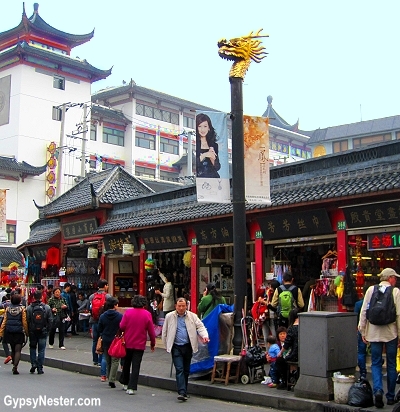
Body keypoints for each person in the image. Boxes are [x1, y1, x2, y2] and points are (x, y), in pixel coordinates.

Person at [359, 268, 400, 408]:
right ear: (389, 278)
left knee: (376, 363)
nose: (396, 280)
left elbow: (364, 310)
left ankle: (378, 391)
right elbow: (399, 315)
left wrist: (362, 330)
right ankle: (390, 396)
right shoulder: (395, 292)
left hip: (374, 333)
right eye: (394, 277)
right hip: (391, 333)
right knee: (391, 364)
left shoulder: (371, 290)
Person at [162, 297, 209, 401]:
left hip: (188, 346)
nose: (181, 308)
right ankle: (182, 392)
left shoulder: (192, 316)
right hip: (176, 346)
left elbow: (200, 327)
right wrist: (166, 345)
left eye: (183, 306)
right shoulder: (170, 316)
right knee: (179, 369)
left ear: (186, 306)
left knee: (186, 370)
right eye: (179, 306)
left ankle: (185, 390)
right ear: (176, 306)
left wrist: (205, 336)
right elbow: (164, 331)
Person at [119, 295, 155, 395]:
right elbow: (151, 331)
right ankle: (132, 387)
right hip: (140, 344)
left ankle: (125, 382)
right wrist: (153, 343)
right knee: (136, 365)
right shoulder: (147, 314)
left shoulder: (128, 313)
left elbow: (122, 326)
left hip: (127, 342)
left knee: (126, 363)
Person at [0, 293, 29, 374]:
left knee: (12, 349)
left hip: (9, 331)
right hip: (19, 332)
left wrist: (1, 333)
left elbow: (4, 321)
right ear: (19, 300)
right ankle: (15, 366)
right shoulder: (22, 309)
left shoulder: (8, 309)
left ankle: (13, 362)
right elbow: (24, 321)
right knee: (18, 350)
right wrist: (27, 332)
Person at [98, 297, 123, 387]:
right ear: (115, 305)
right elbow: (122, 327)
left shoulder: (103, 316)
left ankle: (109, 377)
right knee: (115, 360)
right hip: (116, 340)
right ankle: (112, 379)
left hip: (105, 339)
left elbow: (99, 328)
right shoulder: (120, 316)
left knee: (108, 359)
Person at [26, 290, 53, 374]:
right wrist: (48, 329)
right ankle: (40, 367)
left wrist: (28, 330)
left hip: (33, 331)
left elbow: (27, 320)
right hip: (43, 331)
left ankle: (33, 363)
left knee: (33, 348)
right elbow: (50, 320)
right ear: (41, 297)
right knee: (41, 350)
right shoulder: (47, 307)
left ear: (33, 297)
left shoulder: (29, 308)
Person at [275, 308, 300, 390]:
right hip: (304, 354)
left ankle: (285, 381)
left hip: (295, 354)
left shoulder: (292, 329)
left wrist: (280, 353)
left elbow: (286, 345)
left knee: (280, 361)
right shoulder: (305, 326)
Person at [89, 279, 111, 366]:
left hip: (94, 320)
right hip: (104, 321)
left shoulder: (92, 296)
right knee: (102, 340)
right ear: (105, 286)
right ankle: (101, 360)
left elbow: (89, 308)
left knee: (95, 340)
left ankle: (95, 359)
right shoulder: (108, 296)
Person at [196, 113, 221, 178]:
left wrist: (212, 158)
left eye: (205, 126)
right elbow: (194, 164)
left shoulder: (214, 145)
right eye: (199, 126)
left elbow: (217, 167)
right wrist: (205, 155)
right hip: (199, 180)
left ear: (209, 128)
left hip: (213, 179)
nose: (202, 129)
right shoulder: (195, 143)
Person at [354, 285, 369, 380]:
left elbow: (355, 317)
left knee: (361, 352)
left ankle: (363, 372)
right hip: (375, 330)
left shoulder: (359, 304)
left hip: (362, 329)